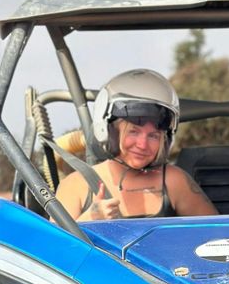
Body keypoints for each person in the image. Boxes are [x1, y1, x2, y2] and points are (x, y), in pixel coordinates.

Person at [56, 69, 217, 221]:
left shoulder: (174, 181)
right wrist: (88, 220)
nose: (142, 144)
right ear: (109, 131)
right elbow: (51, 247)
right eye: (133, 132)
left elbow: (218, 235)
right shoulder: (76, 185)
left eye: (153, 136)